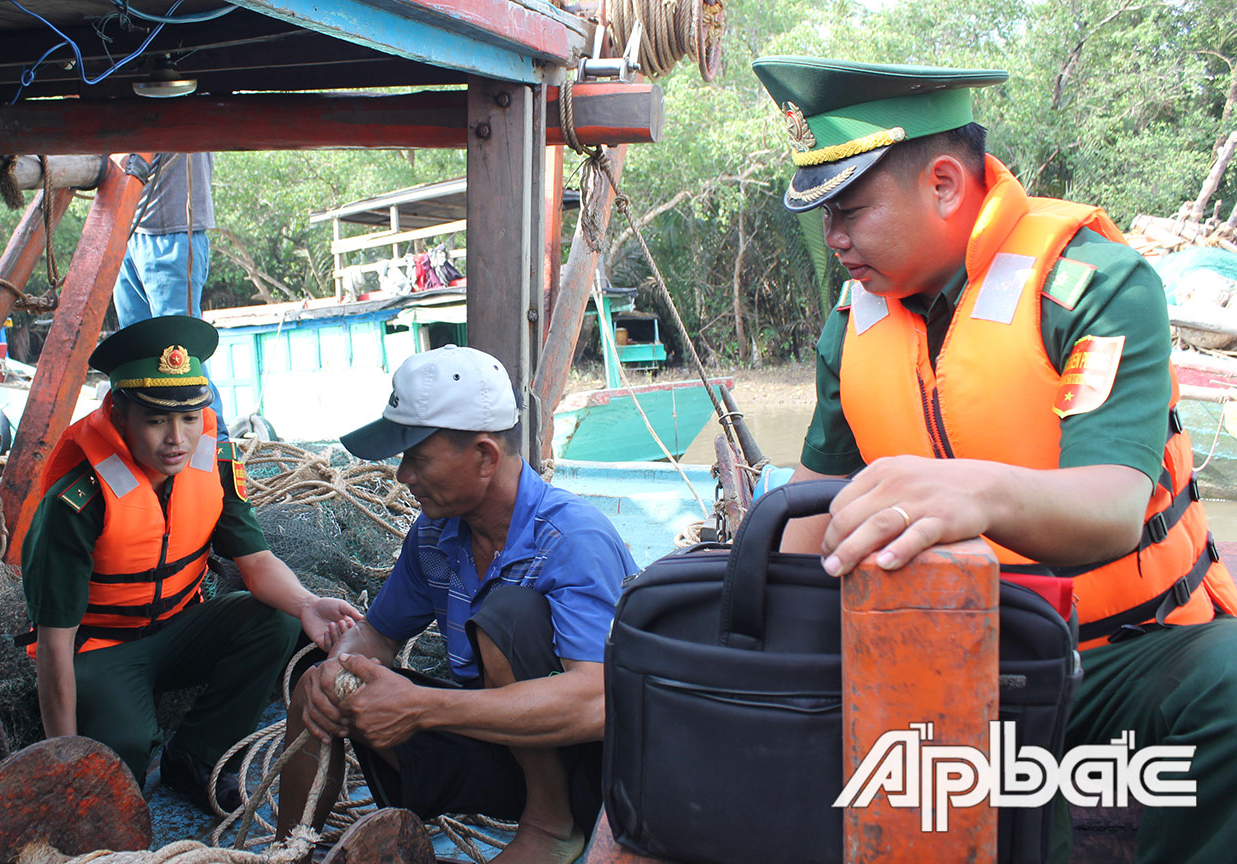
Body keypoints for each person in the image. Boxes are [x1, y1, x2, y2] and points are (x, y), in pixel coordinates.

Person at [756, 56, 1237, 861]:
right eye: (822, 215)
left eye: (851, 210)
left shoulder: (1093, 284)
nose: (833, 238)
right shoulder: (854, 320)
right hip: (938, 643)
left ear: (944, 185)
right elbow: (814, 507)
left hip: (1126, 651)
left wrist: (971, 491)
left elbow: (1115, 506)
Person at [273, 345, 638, 863]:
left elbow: (597, 702)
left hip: (594, 769)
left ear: (486, 456)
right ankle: (289, 853)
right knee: (322, 684)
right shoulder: (434, 536)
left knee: (503, 616)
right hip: (503, 745)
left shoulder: (573, 539)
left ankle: (551, 826)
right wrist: (339, 670)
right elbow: (377, 635)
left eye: (417, 458)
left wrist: (423, 707)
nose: (403, 475)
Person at [18, 315, 362, 814]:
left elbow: (257, 562)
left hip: (180, 628)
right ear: (118, 415)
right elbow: (53, 645)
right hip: (101, 649)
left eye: (188, 417)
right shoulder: (78, 501)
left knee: (278, 619)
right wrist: (66, 760)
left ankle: (196, 760)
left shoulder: (213, 463)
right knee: (125, 751)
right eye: (156, 420)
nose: (176, 438)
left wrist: (308, 604)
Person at [115, 152, 227, 433]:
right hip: (126, 231)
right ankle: (151, 446)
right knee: (137, 352)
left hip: (173, 233)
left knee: (180, 356)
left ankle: (214, 446)